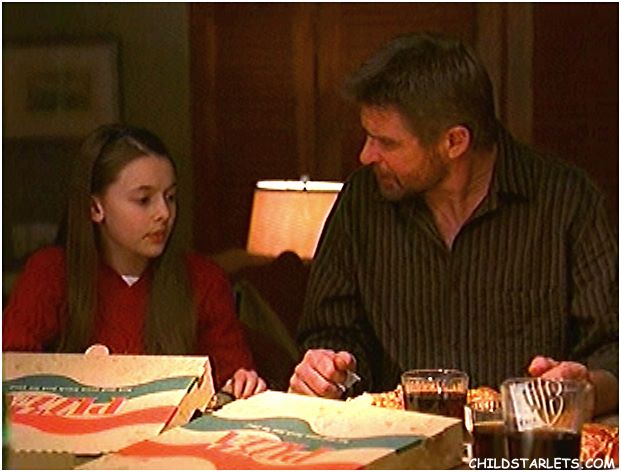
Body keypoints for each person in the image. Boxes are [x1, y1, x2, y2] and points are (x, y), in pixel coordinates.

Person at [289, 32, 618, 416]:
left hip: (522, 438)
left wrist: (587, 389)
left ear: (455, 141)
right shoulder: (363, 200)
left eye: (387, 143)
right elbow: (331, 332)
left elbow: (612, 348)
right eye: (368, 136)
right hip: (394, 437)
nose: (366, 155)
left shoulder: (567, 200)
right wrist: (327, 372)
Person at [3, 124, 266, 400]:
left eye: (170, 197)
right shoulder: (52, 272)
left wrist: (241, 384)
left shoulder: (203, 279)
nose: (163, 213)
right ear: (95, 207)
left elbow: (235, 377)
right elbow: (12, 367)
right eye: (144, 200)